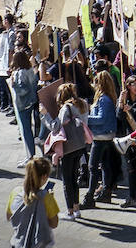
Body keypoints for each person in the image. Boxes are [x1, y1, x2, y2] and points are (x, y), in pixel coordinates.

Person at [41, 83, 90, 221]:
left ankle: (70, 212)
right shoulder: (81, 104)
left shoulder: (65, 108)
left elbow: (55, 127)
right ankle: (76, 208)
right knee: (74, 178)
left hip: (68, 147)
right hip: (79, 145)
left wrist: (45, 115)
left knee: (67, 180)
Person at [82, 70, 117, 209]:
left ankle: (90, 196)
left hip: (101, 136)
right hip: (107, 135)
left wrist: (85, 119)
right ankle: (106, 193)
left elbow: (101, 119)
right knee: (105, 166)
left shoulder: (103, 99)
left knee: (93, 167)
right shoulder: (109, 98)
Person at [6, 156, 60, 248]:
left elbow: (8, 217)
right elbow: (54, 223)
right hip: (40, 243)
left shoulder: (15, 192)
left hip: (18, 243)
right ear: (44, 176)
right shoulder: (46, 197)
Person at [117, 74, 136, 209]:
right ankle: (132, 198)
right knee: (131, 170)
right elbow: (119, 118)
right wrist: (120, 102)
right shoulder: (124, 101)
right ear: (128, 86)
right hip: (129, 139)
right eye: (135, 85)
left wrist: (132, 110)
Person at [9, 51, 39, 167]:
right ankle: (30, 154)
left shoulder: (21, 73)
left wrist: (13, 85)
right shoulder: (30, 70)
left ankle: (29, 156)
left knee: (26, 131)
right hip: (31, 102)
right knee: (28, 130)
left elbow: (23, 90)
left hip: (23, 104)